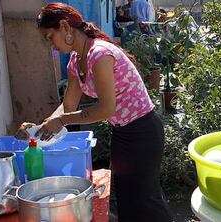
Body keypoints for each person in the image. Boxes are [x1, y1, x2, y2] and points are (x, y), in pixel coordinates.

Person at [16, 3, 172, 222]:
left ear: (64, 27)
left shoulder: (99, 54)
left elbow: (106, 108)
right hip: (122, 133)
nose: (50, 45)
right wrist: (40, 127)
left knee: (146, 200)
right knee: (127, 199)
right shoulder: (75, 60)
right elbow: (68, 106)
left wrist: (61, 120)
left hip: (143, 132)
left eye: (50, 37)